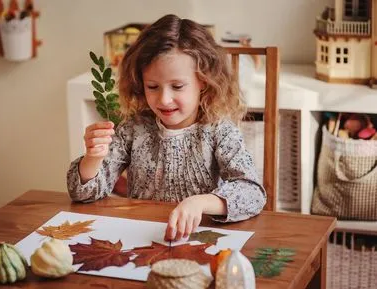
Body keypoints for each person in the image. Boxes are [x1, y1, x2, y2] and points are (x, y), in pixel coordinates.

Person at [67, 14, 266, 242]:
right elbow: (82, 194)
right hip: (140, 239)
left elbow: (252, 193)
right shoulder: (134, 129)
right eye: (153, 86)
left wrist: (201, 202)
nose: (164, 99)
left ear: (204, 81)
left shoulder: (219, 131)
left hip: (199, 240)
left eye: (177, 86)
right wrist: (92, 158)